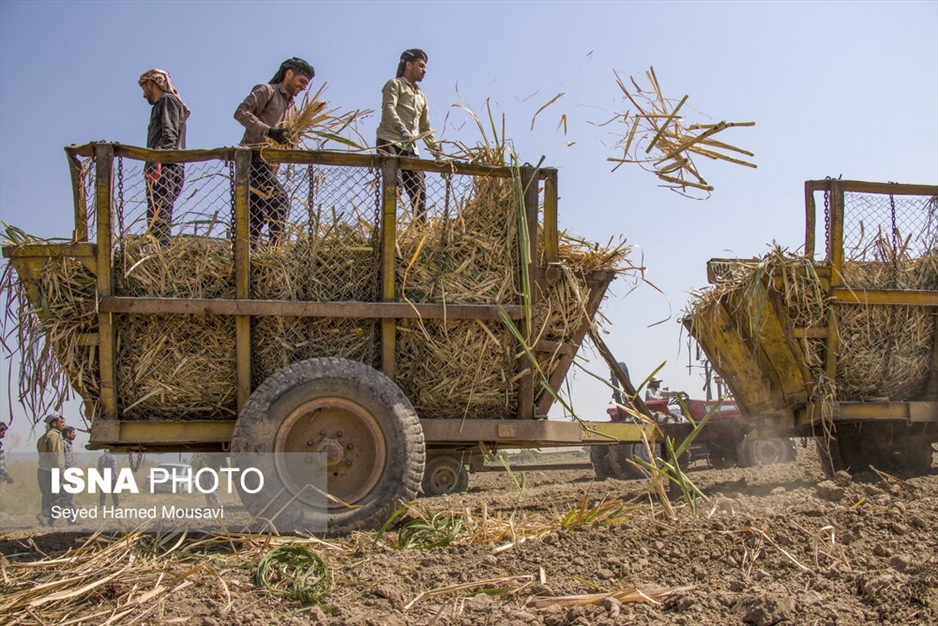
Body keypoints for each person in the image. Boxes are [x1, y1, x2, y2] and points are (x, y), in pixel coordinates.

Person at [234, 57, 315, 245]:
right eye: (302, 81)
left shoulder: (292, 106)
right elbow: (241, 112)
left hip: (270, 166)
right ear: (289, 74)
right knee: (279, 199)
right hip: (253, 159)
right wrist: (269, 131)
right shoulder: (266, 91)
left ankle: (252, 255)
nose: (304, 87)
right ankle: (276, 250)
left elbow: (286, 138)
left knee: (256, 215)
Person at [376, 48, 443, 219]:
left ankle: (420, 231)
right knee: (394, 186)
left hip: (411, 149)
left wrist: (438, 154)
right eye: (421, 66)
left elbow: (425, 128)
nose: (424, 70)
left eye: (425, 67)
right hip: (389, 141)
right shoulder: (395, 84)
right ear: (408, 64)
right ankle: (389, 229)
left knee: (418, 192)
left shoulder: (421, 96)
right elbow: (389, 108)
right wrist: (401, 129)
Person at [138, 68, 190, 245]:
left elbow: (169, 135)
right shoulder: (166, 103)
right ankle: (158, 249)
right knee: (157, 212)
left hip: (166, 166)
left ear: (151, 83)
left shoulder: (167, 100)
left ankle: (161, 252)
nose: (144, 95)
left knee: (159, 212)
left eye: (144, 88)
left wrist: (157, 161)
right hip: (165, 165)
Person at [36, 413, 66, 527]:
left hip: (42, 471)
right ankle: (45, 515)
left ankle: (49, 523)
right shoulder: (54, 436)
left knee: (47, 497)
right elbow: (56, 456)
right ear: (54, 423)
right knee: (60, 497)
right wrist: (61, 473)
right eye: (61, 422)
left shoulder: (42, 437)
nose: (63, 425)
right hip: (51, 471)